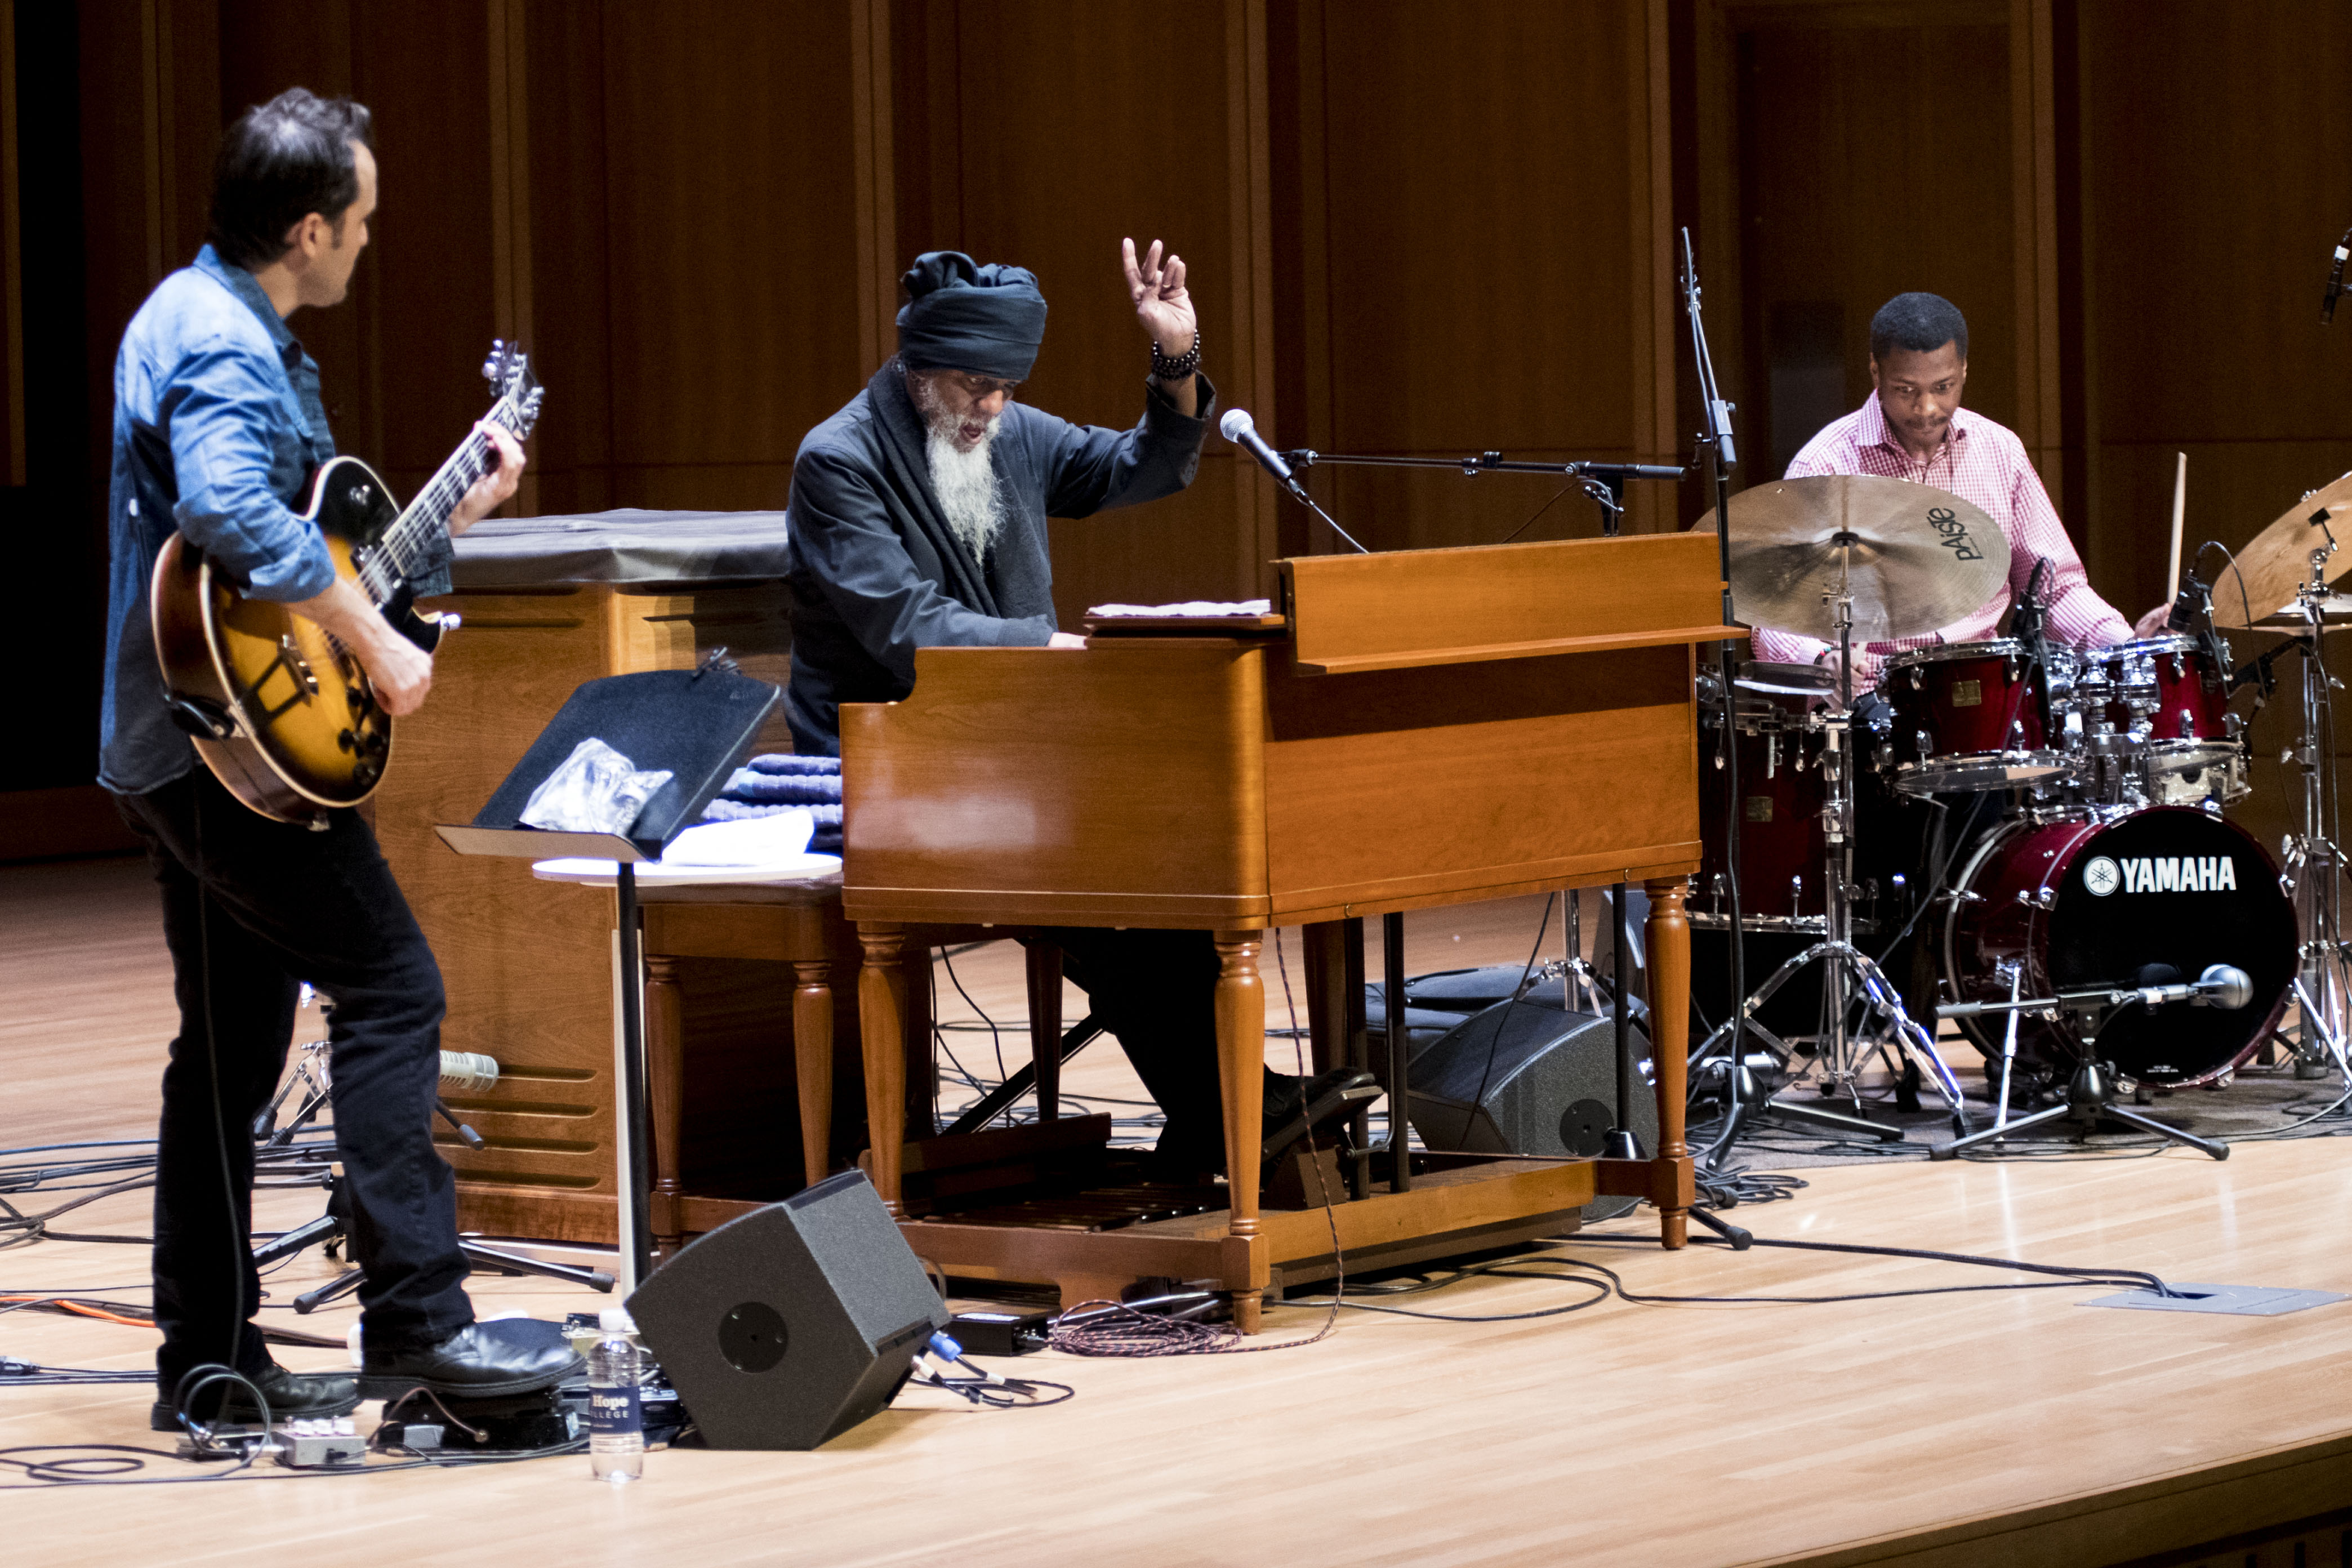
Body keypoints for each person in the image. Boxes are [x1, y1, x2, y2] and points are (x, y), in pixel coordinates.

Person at [100, 88, 574, 1431]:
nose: (370, 240)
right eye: (360, 219)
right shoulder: (222, 342)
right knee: (392, 985)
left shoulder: (206, 315)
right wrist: (382, 644)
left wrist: (448, 521)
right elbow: (231, 511)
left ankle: (204, 1357)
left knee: (229, 1049)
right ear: (308, 227)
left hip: (176, 739)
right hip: (223, 748)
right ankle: (418, 1326)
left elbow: (297, 543)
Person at [783, 243, 1360, 1174]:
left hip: (1018, 753)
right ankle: (1229, 1108)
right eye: (977, 386)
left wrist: (1174, 359)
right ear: (918, 367)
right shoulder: (839, 459)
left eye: (1009, 386)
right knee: (1104, 872)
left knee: (1162, 845)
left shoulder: (1009, 433)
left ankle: (1220, 1110)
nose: (994, 408)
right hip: (890, 764)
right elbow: (904, 626)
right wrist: (1050, 649)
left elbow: (1142, 468)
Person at [1750, 291, 2165, 689]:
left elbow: (2054, 590)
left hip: (1985, 694)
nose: (1927, 408)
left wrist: (2126, 647)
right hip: (1871, 698)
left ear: (1964, 369)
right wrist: (1822, 663)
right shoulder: (1824, 466)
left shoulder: (1999, 451)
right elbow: (1771, 617)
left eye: (1943, 387)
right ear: (1876, 372)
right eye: (1906, 390)